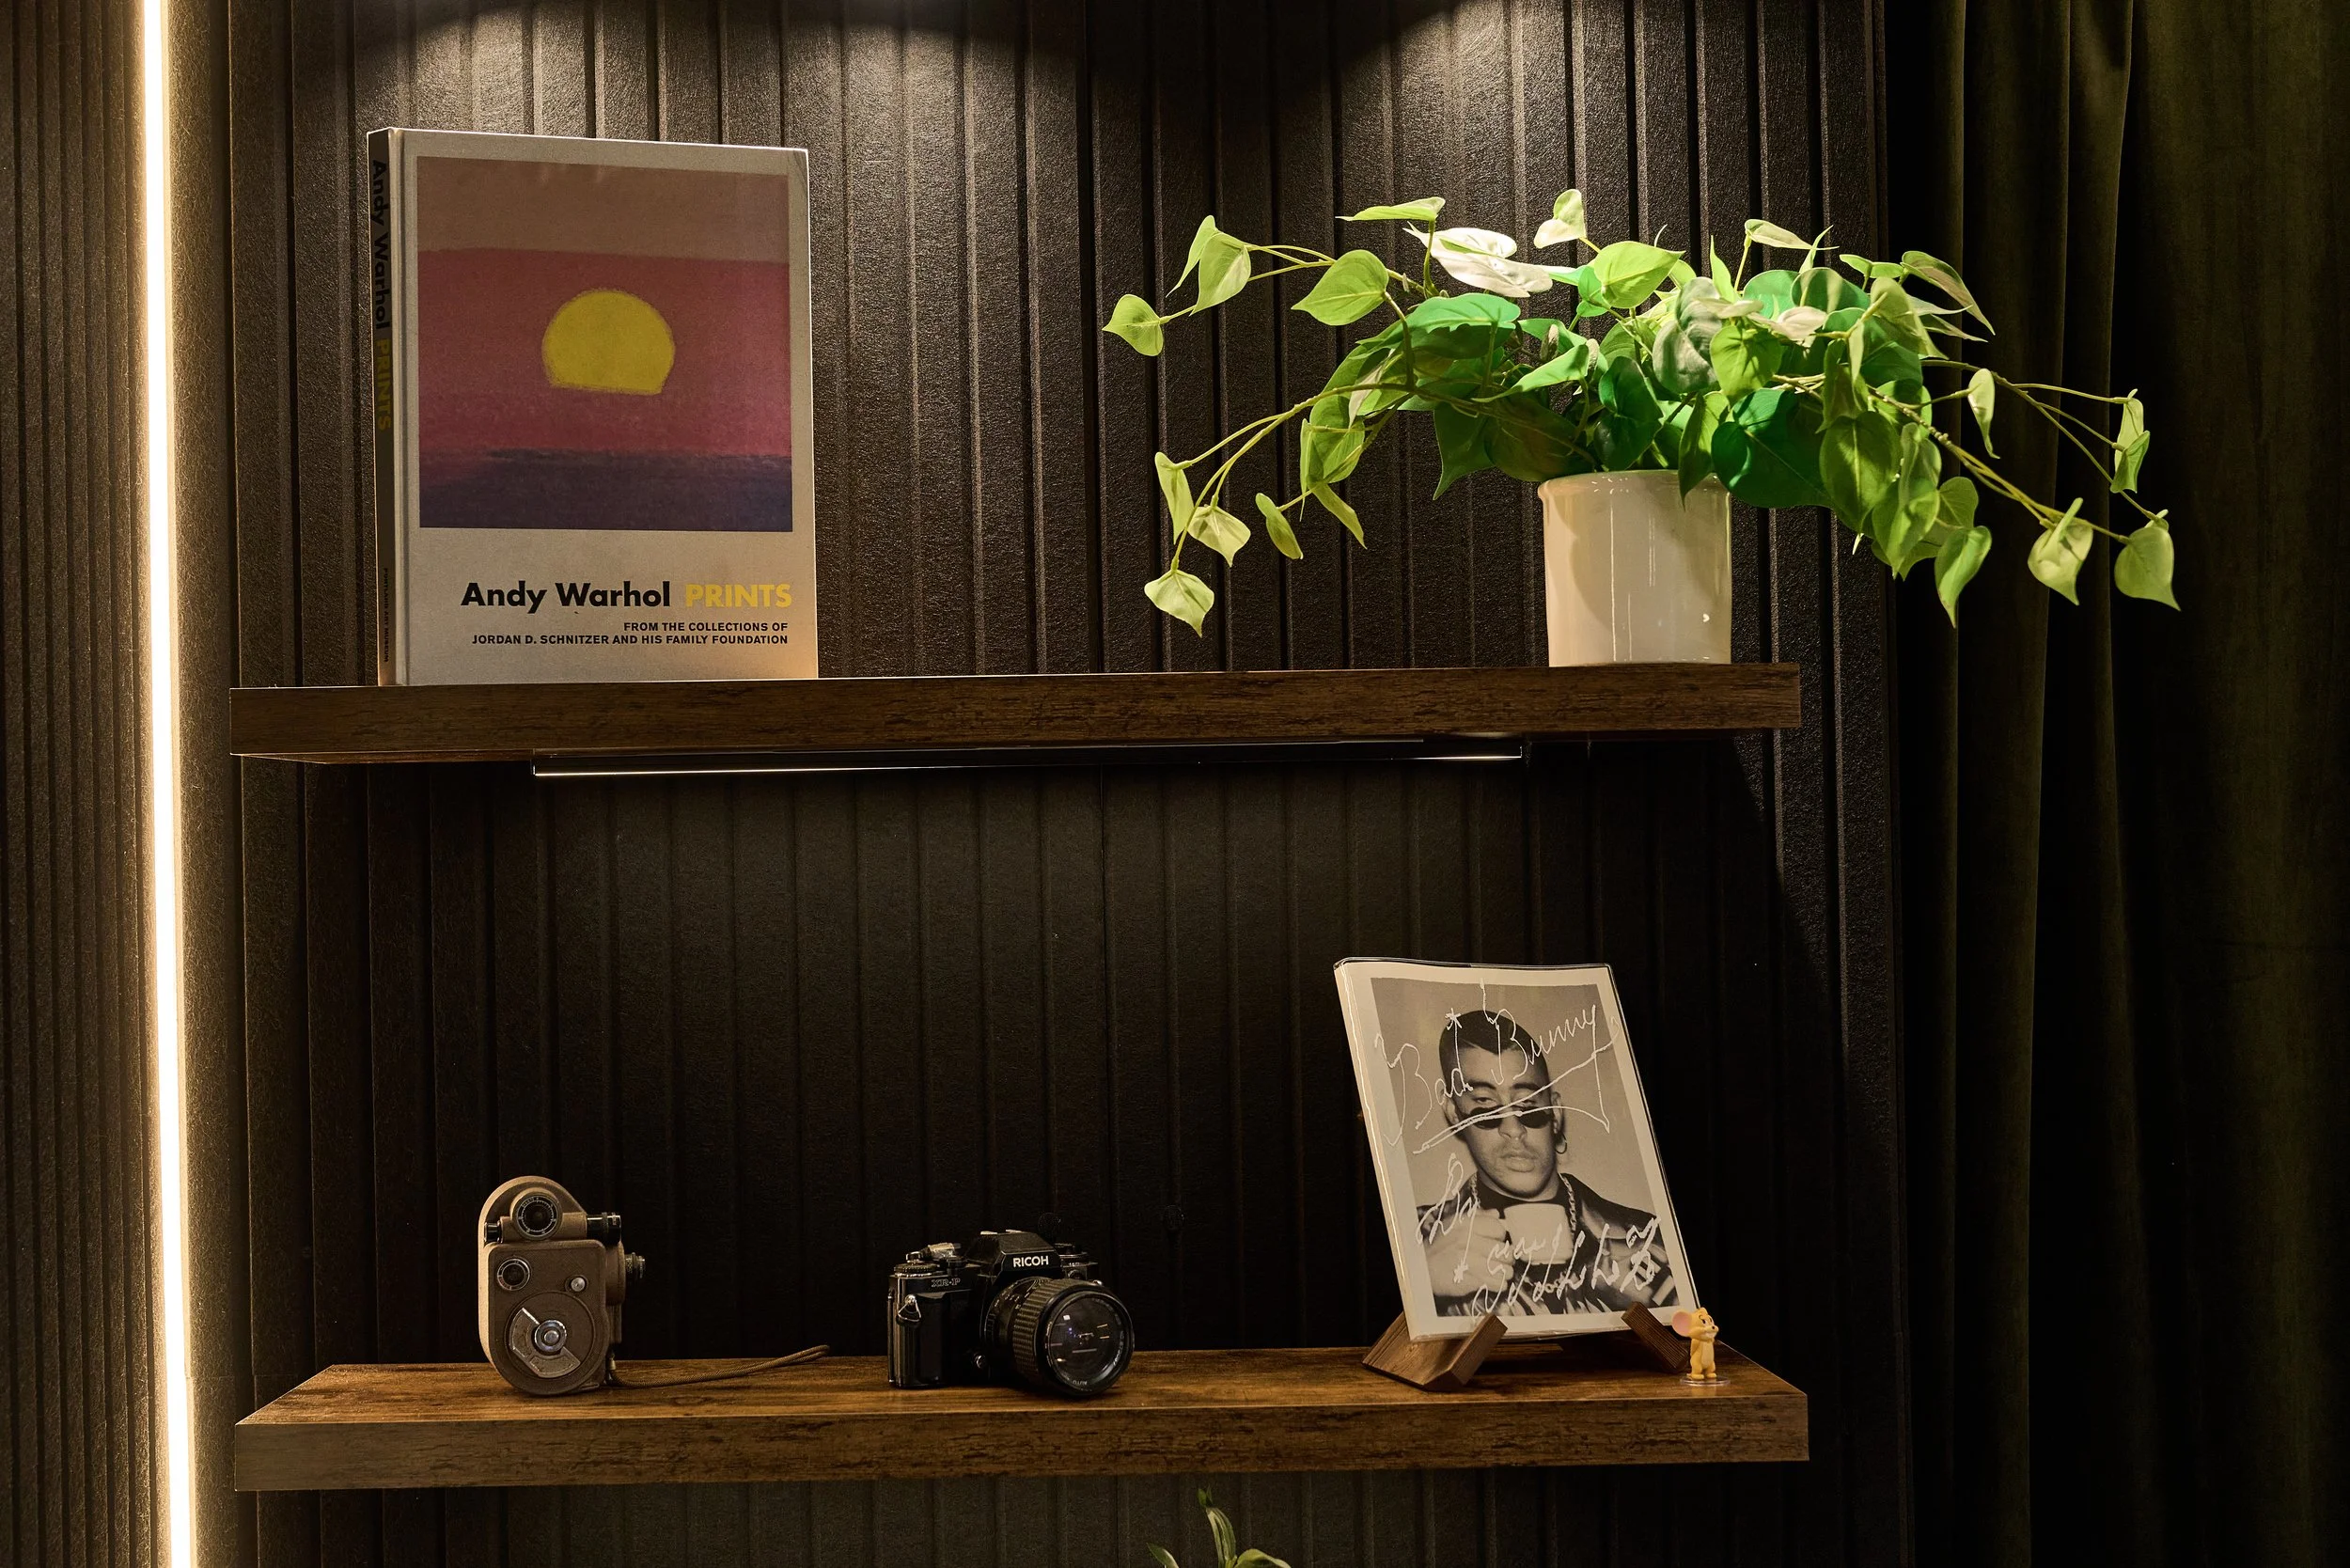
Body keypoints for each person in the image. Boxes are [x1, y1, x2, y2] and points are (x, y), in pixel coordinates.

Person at [1416, 1010, 1678, 1318]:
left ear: (1555, 1114)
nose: (1513, 1129)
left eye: (1528, 1104)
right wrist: (1423, 1281)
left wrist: (1662, 1307)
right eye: (1485, 1105)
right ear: (1455, 1114)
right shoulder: (1418, 1238)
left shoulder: (1646, 1238)